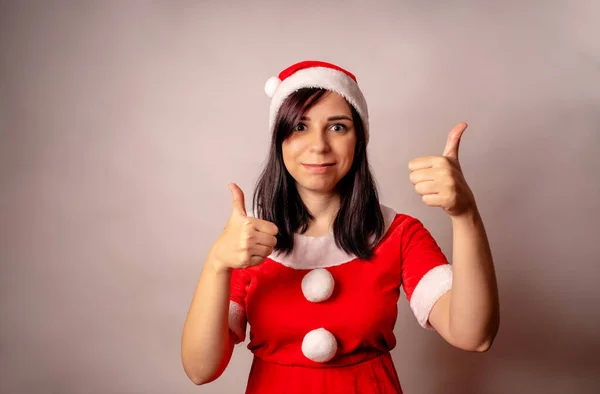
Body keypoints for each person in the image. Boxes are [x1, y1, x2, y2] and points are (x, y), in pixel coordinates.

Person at [181, 60, 500, 393]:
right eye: (300, 127)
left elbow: (474, 335)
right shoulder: (249, 239)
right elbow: (200, 370)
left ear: (358, 140)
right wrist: (217, 262)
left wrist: (465, 215)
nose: (318, 145)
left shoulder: (399, 233)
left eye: (337, 127)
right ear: (280, 141)